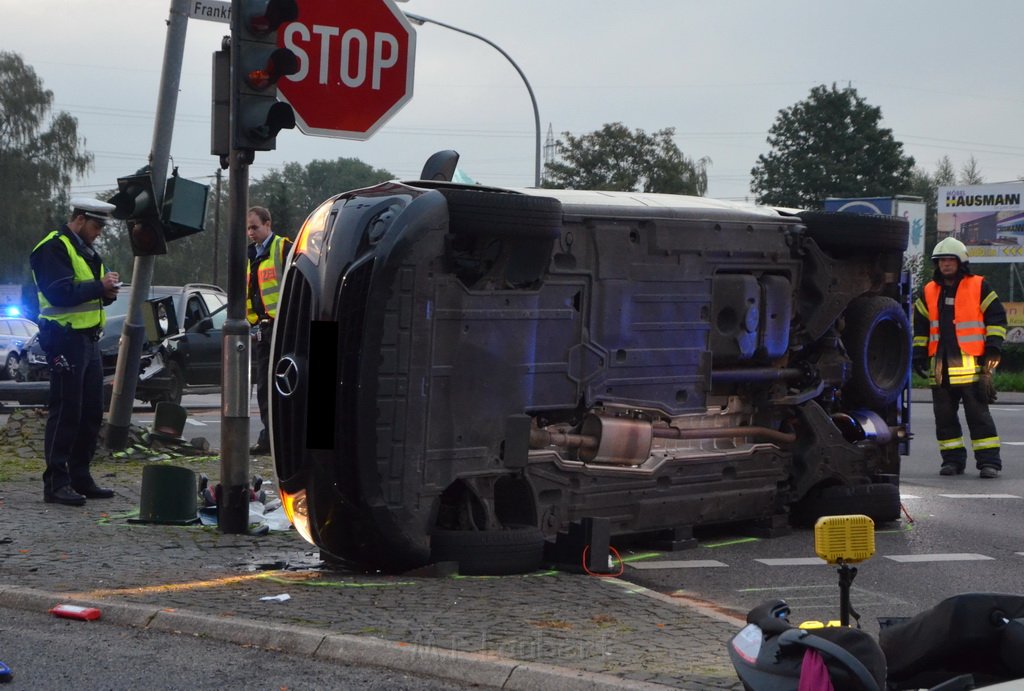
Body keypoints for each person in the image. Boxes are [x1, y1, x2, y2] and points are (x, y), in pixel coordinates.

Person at [29, 197, 121, 505]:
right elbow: (60, 292)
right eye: (96, 226)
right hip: (65, 338)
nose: (99, 233)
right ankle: (55, 482)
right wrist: (100, 286)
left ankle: (80, 476)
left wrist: (108, 291)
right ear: (79, 219)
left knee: (91, 412)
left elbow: (98, 292)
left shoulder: (87, 250)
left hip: (89, 339)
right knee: (66, 410)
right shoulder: (53, 247)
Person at [912, 237, 1007, 478]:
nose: (945, 264)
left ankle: (989, 463)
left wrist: (993, 348)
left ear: (960, 262)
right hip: (940, 369)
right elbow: (921, 327)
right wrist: (919, 353)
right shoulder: (929, 291)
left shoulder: (979, 285)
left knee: (979, 417)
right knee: (944, 420)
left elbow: (996, 318)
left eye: (949, 260)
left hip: (971, 366)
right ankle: (952, 461)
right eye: (941, 260)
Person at [246, 206, 292, 455]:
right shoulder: (251, 255)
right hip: (264, 328)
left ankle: (278, 438)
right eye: (248, 228)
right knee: (264, 386)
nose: (250, 232)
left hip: (281, 327)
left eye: (255, 227)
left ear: (268, 224)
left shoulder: (283, 248)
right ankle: (270, 437)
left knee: (279, 385)